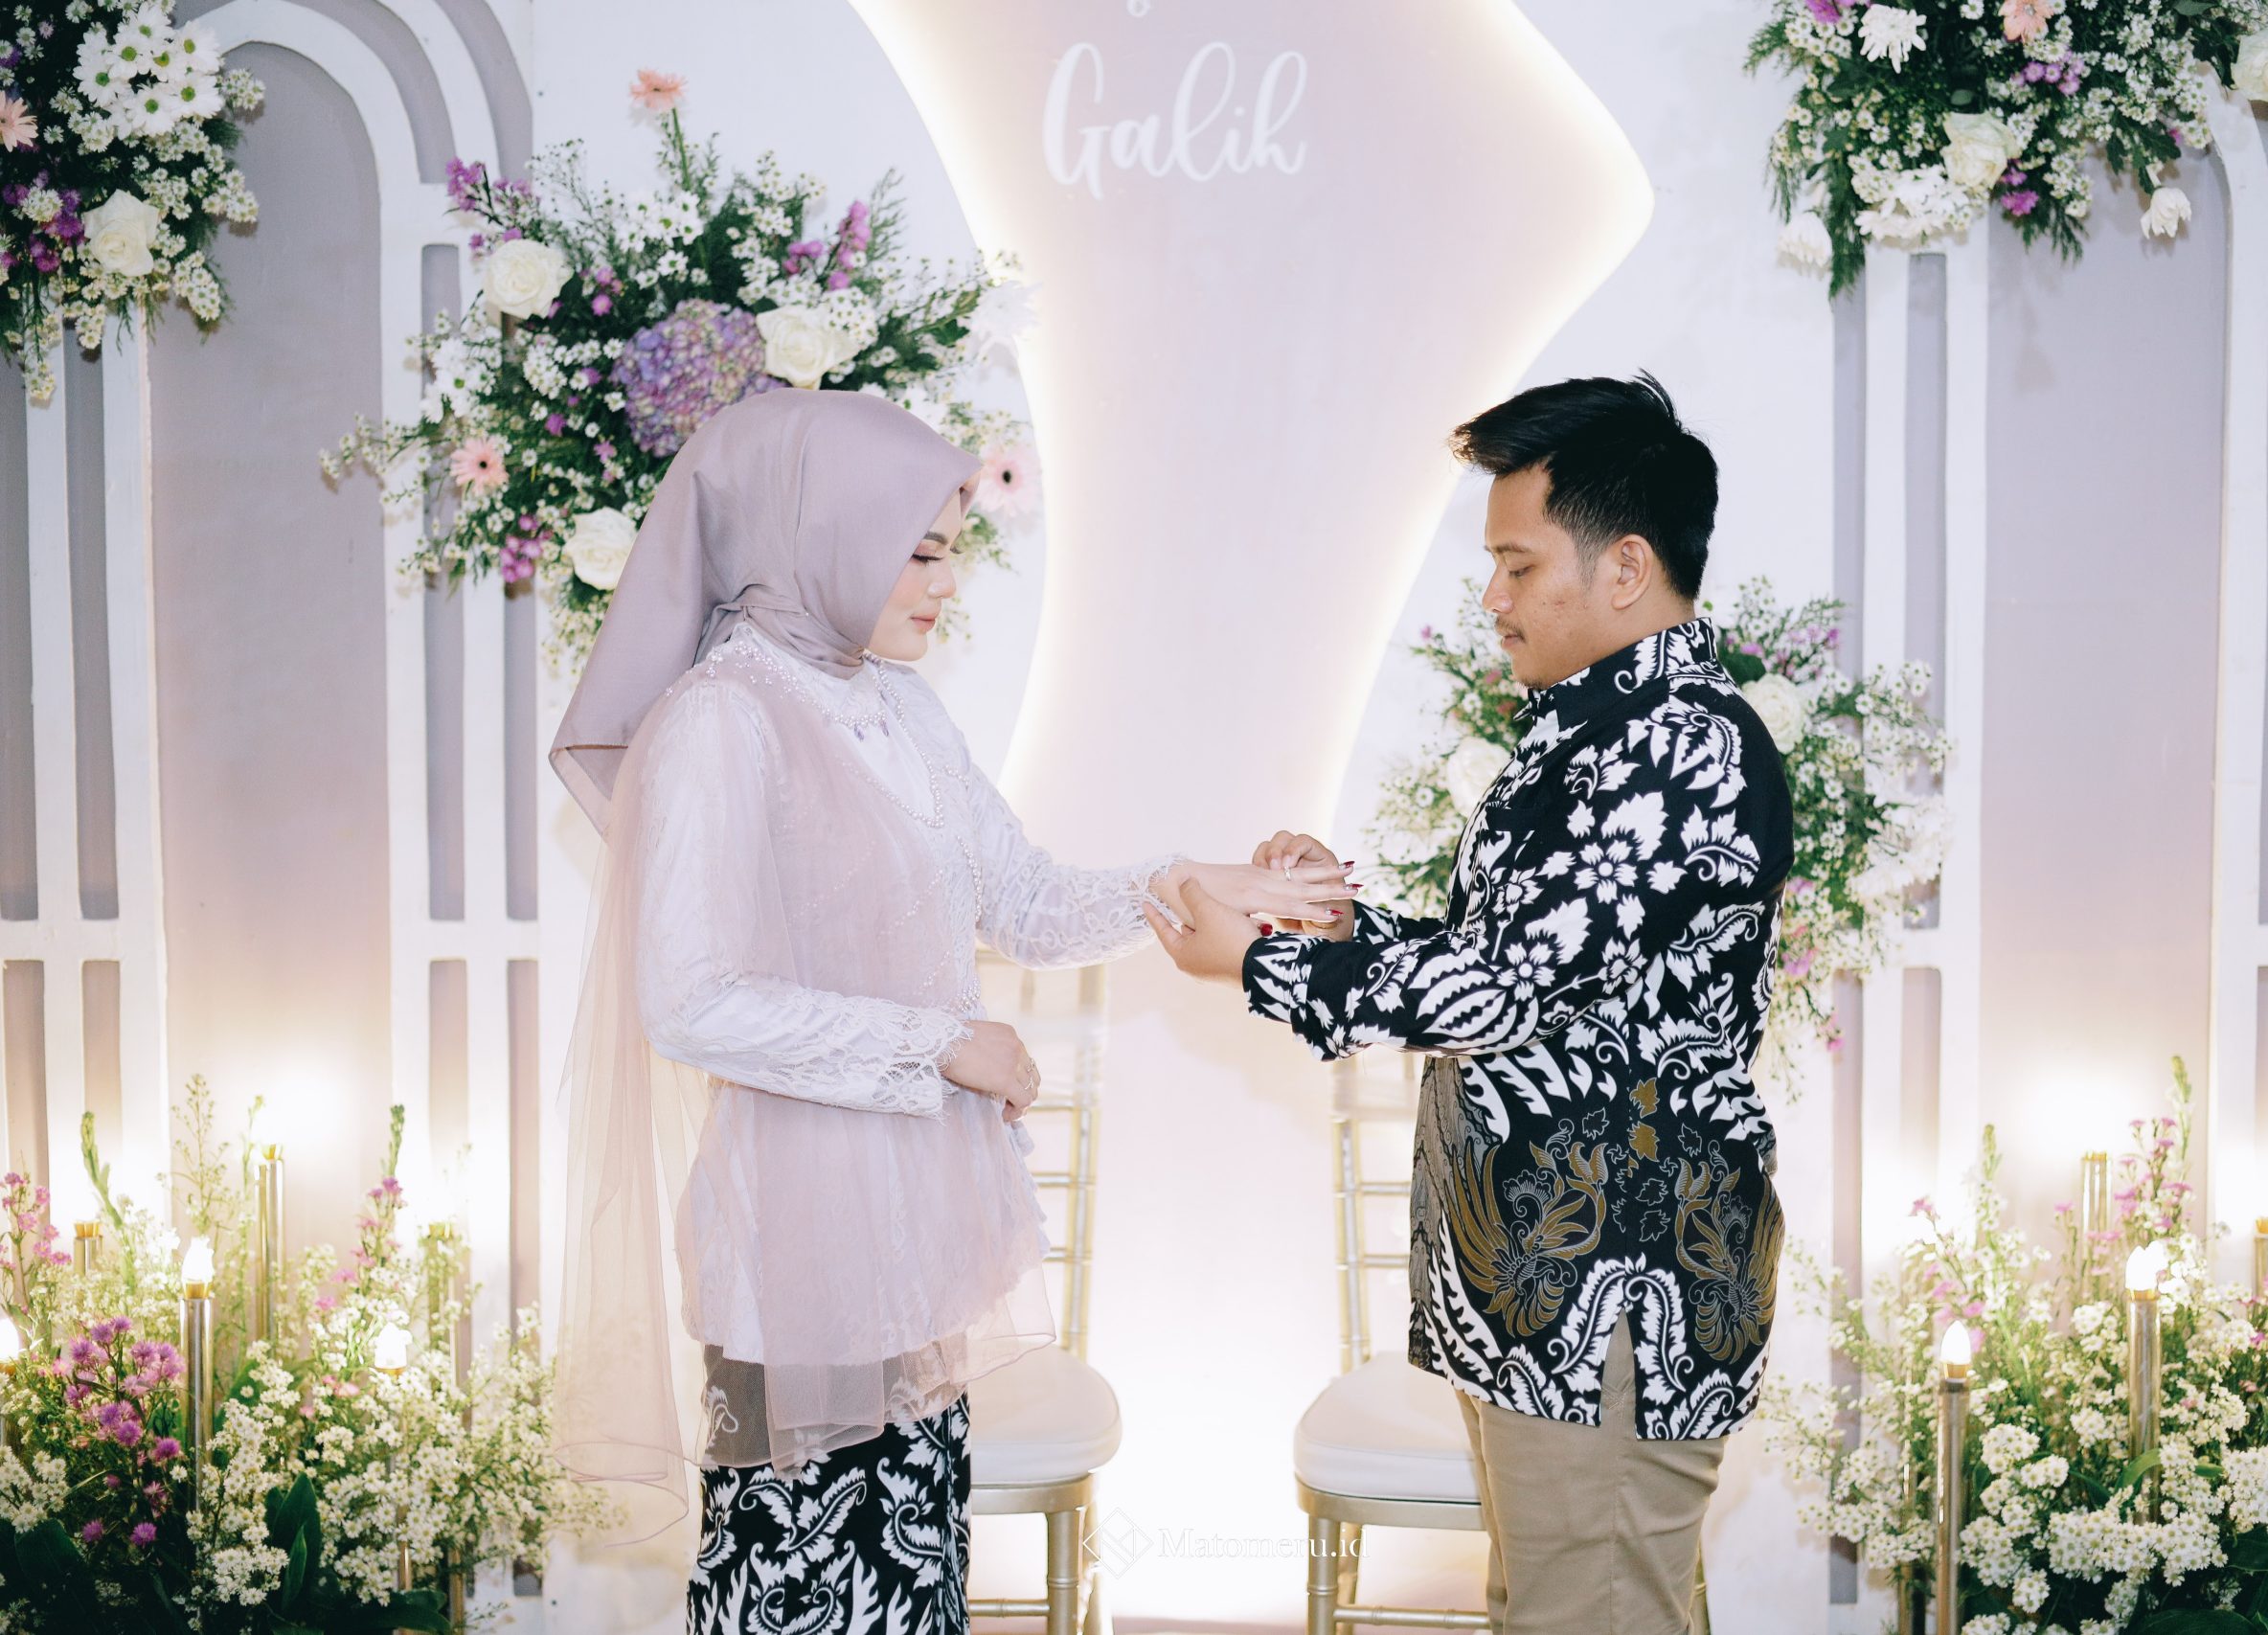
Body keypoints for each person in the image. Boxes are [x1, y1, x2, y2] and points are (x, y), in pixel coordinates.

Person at [545, 387, 1351, 1635]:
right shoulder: (719, 720)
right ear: (821, 538)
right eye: (918, 551)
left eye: (951, 550)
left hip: (912, 1233)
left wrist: (1195, 882)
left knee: (911, 1586)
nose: (946, 583)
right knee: (798, 1589)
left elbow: (1022, 900)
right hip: (794, 1246)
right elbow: (691, 1002)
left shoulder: (898, 704)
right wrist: (941, 1044)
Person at [1146, 374, 1795, 1635]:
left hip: (1614, 1291)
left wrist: (1257, 965)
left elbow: (1497, 994)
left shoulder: (1678, 746)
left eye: (1516, 564)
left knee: (1589, 1617)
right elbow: (1525, 969)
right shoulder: (1599, 732)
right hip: (1542, 1284)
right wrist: (1340, 925)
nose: (1492, 598)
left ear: (1626, 567)